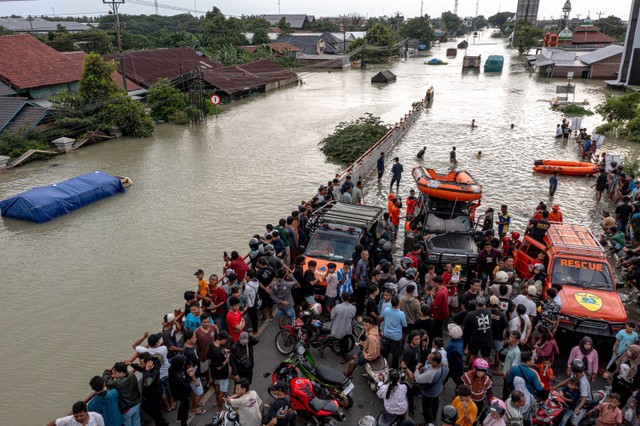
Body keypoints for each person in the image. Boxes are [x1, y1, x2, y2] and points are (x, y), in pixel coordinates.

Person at [415, 351, 449, 425]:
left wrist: (417, 368)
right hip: (439, 389)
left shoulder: (431, 374)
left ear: (434, 363)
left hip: (429, 393)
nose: (428, 357)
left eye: (430, 358)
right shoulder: (445, 366)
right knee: (435, 402)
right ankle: (434, 416)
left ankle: (428, 422)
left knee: (427, 408)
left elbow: (417, 378)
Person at [556, 360, 591, 426]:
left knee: (573, 422)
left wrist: (578, 408)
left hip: (584, 402)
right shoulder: (576, 374)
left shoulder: (583, 382)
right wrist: (557, 386)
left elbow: (584, 398)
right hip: (576, 396)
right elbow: (568, 380)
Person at [168, 355, 198, 426]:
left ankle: (178, 418)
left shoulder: (172, 369)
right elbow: (186, 386)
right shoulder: (178, 377)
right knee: (185, 410)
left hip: (175, 392)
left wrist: (186, 373)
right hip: (183, 394)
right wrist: (190, 376)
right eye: (183, 363)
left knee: (182, 405)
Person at [464, 296, 493, 366]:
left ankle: (471, 369)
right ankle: (484, 371)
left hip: (475, 338)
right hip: (487, 338)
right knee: (485, 357)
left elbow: (465, 327)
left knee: (473, 355)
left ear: (476, 303)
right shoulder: (488, 312)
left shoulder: (470, 314)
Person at [381, 296, 407, 369]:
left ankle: (383, 365)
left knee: (385, 350)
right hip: (396, 336)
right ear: (398, 303)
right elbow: (404, 325)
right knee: (396, 353)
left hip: (387, 334)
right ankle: (394, 368)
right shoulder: (401, 314)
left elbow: (383, 318)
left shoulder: (386, 310)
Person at [331, 292, 357, 364]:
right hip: (346, 330)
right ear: (349, 298)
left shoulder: (337, 307)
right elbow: (352, 317)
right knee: (345, 343)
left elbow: (332, 317)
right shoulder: (353, 308)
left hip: (336, 329)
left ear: (341, 298)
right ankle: (343, 358)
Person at [210, 331, 231, 412]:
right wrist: (227, 359)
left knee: (217, 387)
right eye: (225, 340)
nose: (226, 342)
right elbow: (219, 367)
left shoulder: (212, 344)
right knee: (222, 391)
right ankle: (220, 407)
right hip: (221, 375)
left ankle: (216, 401)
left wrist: (223, 350)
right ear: (222, 340)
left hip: (214, 373)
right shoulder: (217, 353)